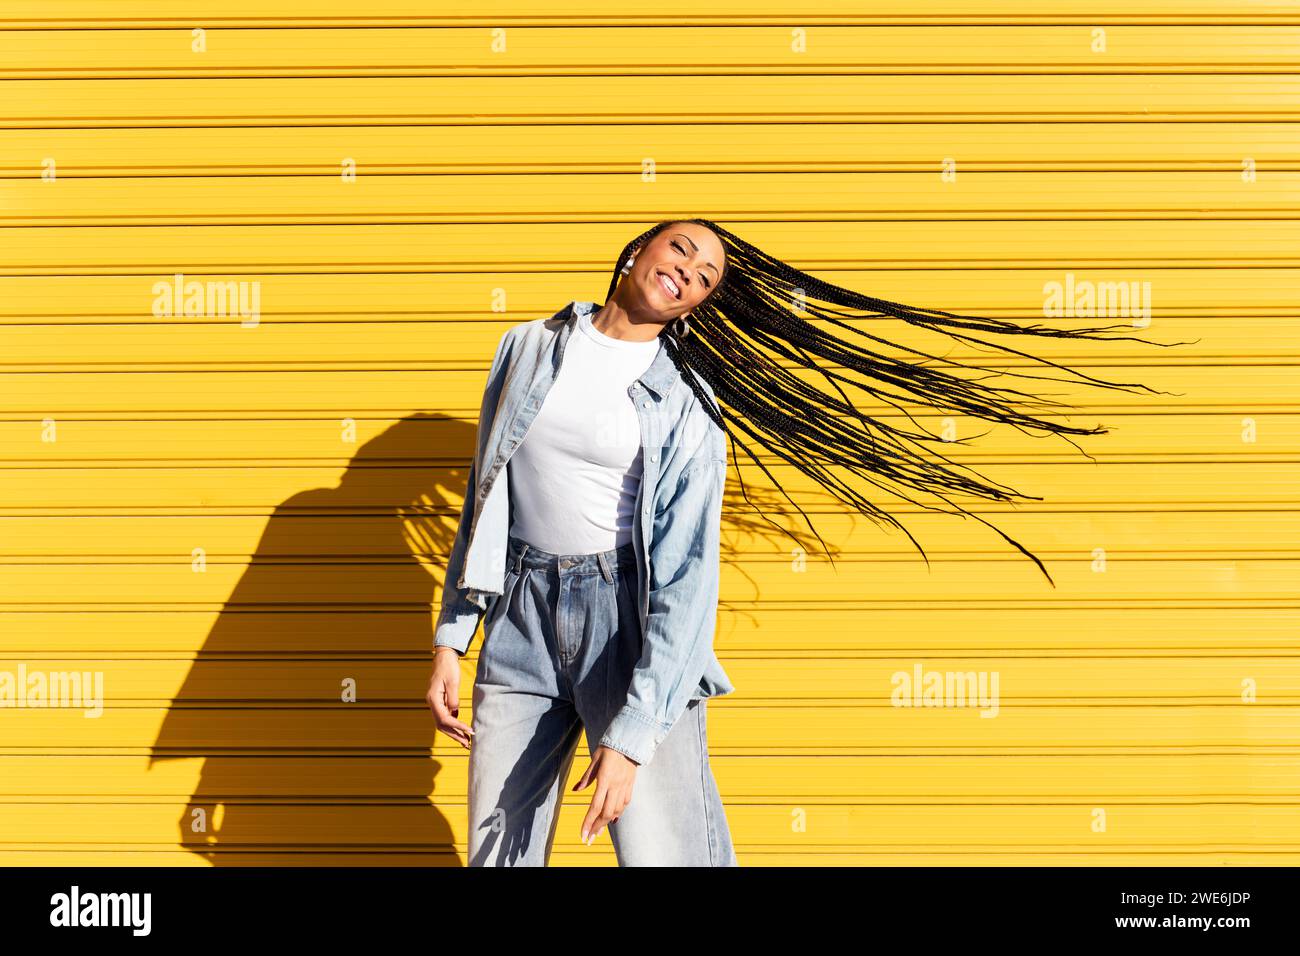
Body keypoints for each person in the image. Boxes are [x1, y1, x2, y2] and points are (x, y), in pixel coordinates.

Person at [427, 218, 1177, 866]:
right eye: (680, 249)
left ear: (700, 303)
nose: (687, 270)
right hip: (520, 613)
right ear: (636, 251)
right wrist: (451, 641)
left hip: (628, 626)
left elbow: (687, 578)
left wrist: (632, 734)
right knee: (496, 848)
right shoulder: (526, 346)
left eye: (705, 275)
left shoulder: (687, 404)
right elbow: (486, 496)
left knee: (665, 852)